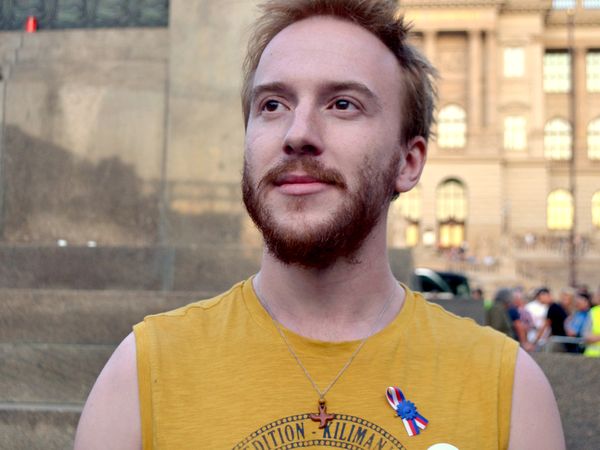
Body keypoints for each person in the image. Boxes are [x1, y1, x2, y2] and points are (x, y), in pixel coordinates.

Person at [73, 1, 564, 448]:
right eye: (273, 105)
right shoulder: (139, 377)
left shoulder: (509, 393)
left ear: (408, 161)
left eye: (343, 104)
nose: (298, 133)